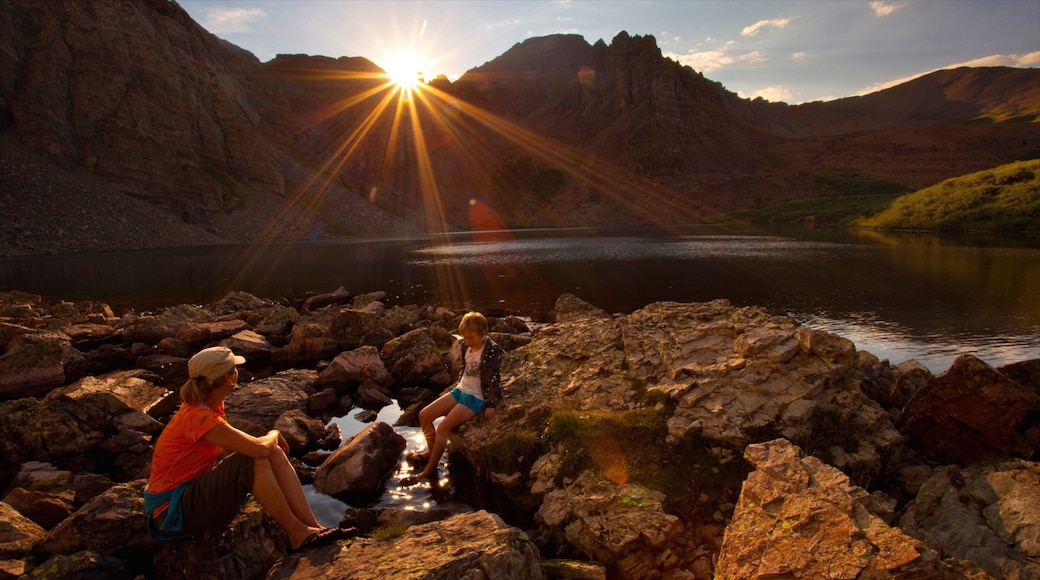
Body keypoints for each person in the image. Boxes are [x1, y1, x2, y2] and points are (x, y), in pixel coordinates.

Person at [144, 346, 353, 553]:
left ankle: (313, 527)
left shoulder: (209, 406)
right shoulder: (199, 417)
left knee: (271, 453)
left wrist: (264, 454)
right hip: (170, 513)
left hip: (186, 497)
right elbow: (257, 450)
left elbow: (232, 449)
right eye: (234, 368)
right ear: (227, 377)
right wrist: (273, 434)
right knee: (254, 457)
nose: (237, 372)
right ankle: (297, 534)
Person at [401, 311, 504, 486]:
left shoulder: (492, 351)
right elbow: (464, 369)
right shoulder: (465, 345)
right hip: (460, 390)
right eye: (464, 337)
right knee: (424, 415)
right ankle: (430, 452)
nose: (466, 341)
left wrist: (491, 403)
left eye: (470, 337)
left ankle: (429, 470)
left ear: (484, 334)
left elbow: (493, 379)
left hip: (476, 397)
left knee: (442, 429)